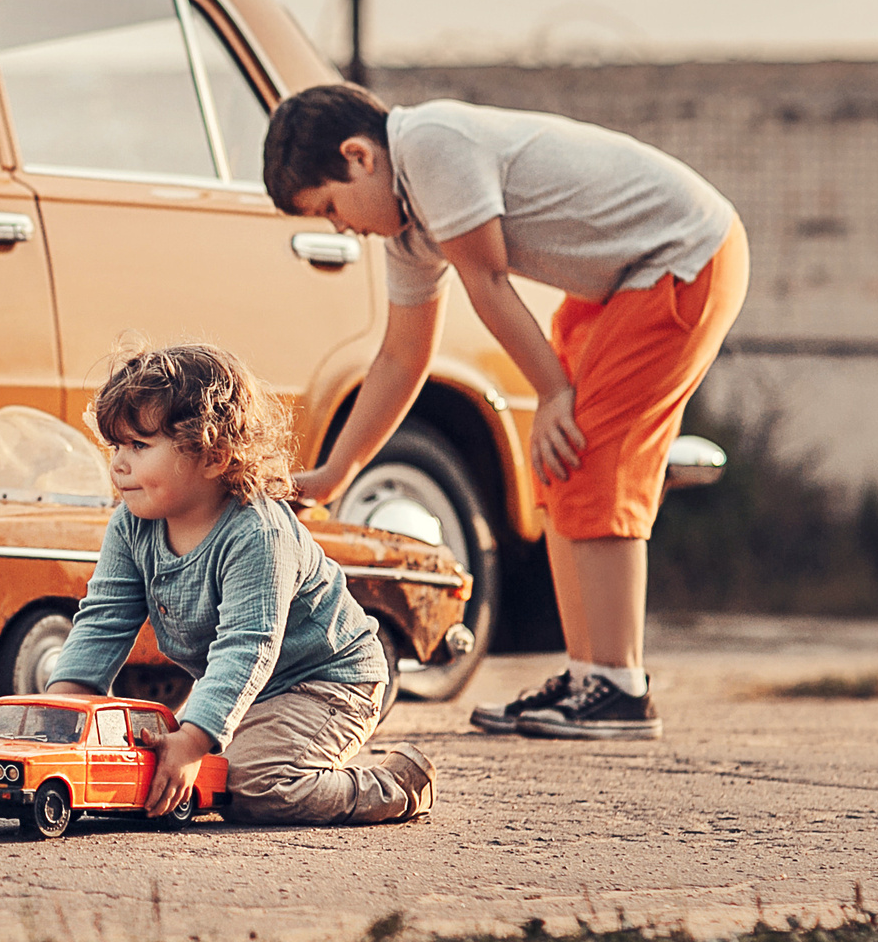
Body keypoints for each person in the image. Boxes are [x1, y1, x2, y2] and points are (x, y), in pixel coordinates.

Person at [263, 84, 747, 742]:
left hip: (683, 258)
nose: (340, 227)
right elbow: (402, 359)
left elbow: (488, 281)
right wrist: (335, 472)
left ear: (358, 157)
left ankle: (620, 687)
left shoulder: (430, 144)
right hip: (619, 282)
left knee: (592, 455)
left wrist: (553, 393)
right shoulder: (407, 231)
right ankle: (587, 678)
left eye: (330, 208)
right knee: (559, 466)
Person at [45, 344, 435, 825]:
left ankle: (393, 785)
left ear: (213, 456)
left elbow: (247, 646)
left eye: (139, 447)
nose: (119, 464)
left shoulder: (256, 532)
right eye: (117, 447)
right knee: (156, 762)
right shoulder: (132, 524)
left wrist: (192, 741)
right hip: (244, 688)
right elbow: (103, 621)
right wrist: (57, 712)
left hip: (328, 682)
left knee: (250, 784)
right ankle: (248, 741)